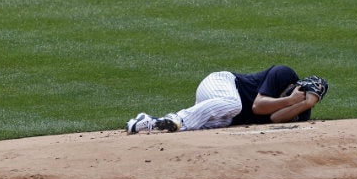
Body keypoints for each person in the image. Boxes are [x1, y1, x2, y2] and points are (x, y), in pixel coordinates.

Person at [126, 65, 328, 134]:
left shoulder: (301, 109)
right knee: (235, 104)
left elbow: (275, 118)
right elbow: (258, 107)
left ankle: (148, 122)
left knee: (200, 128)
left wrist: (303, 103)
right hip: (221, 84)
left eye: (311, 99)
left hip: (226, 114)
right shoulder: (283, 74)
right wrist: (291, 100)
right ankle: (177, 116)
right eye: (305, 93)